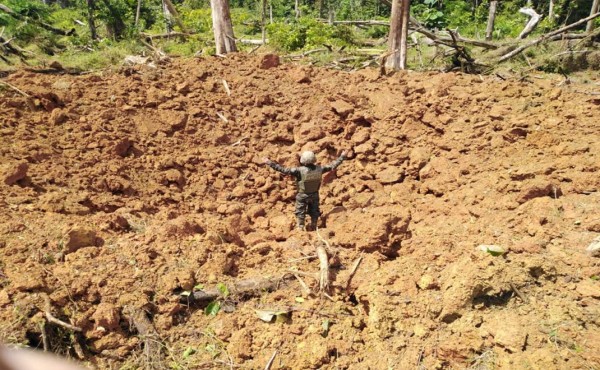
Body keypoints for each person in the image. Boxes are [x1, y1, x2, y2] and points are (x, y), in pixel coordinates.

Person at [263, 150, 348, 231]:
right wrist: (342, 156)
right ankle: (314, 225)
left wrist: (269, 163)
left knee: (300, 211)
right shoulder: (320, 169)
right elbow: (333, 165)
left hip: (302, 195)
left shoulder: (298, 171)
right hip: (314, 194)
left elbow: (283, 170)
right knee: (314, 210)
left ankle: (300, 227)